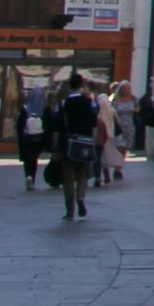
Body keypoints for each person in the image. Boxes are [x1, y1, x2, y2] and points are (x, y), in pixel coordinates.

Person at [53, 75, 100, 219]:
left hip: (67, 143)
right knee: (82, 174)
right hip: (85, 142)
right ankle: (80, 197)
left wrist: (55, 147)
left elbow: (56, 125)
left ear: (69, 86)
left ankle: (69, 210)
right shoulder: (89, 102)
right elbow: (94, 122)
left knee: (68, 178)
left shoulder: (63, 103)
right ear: (81, 85)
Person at [17, 87, 48, 192]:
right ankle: (33, 179)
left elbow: (19, 126)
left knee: (27, 159)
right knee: (34, 159)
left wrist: (21, 138)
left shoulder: (26, 109)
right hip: (39, 139)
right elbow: (48, 125)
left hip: (27, 138)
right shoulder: (44, 109)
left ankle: (28, 176)